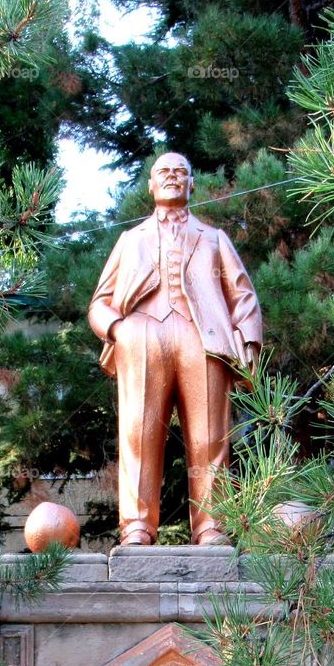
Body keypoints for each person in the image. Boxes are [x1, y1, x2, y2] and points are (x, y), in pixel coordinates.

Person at [88, 152, 263, 546]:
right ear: (150, 185)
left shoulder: (215, 239)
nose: (171, 177)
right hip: (142, 336)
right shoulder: (130, 241)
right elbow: (100, 302)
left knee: (210, 436)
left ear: (191, 184)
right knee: (139, 432)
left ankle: (211, 525)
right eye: (163, 172)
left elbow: (243, 295)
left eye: (180, 172)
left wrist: (249, 340)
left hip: (203, 338)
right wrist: (118, 329)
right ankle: (136, 526)